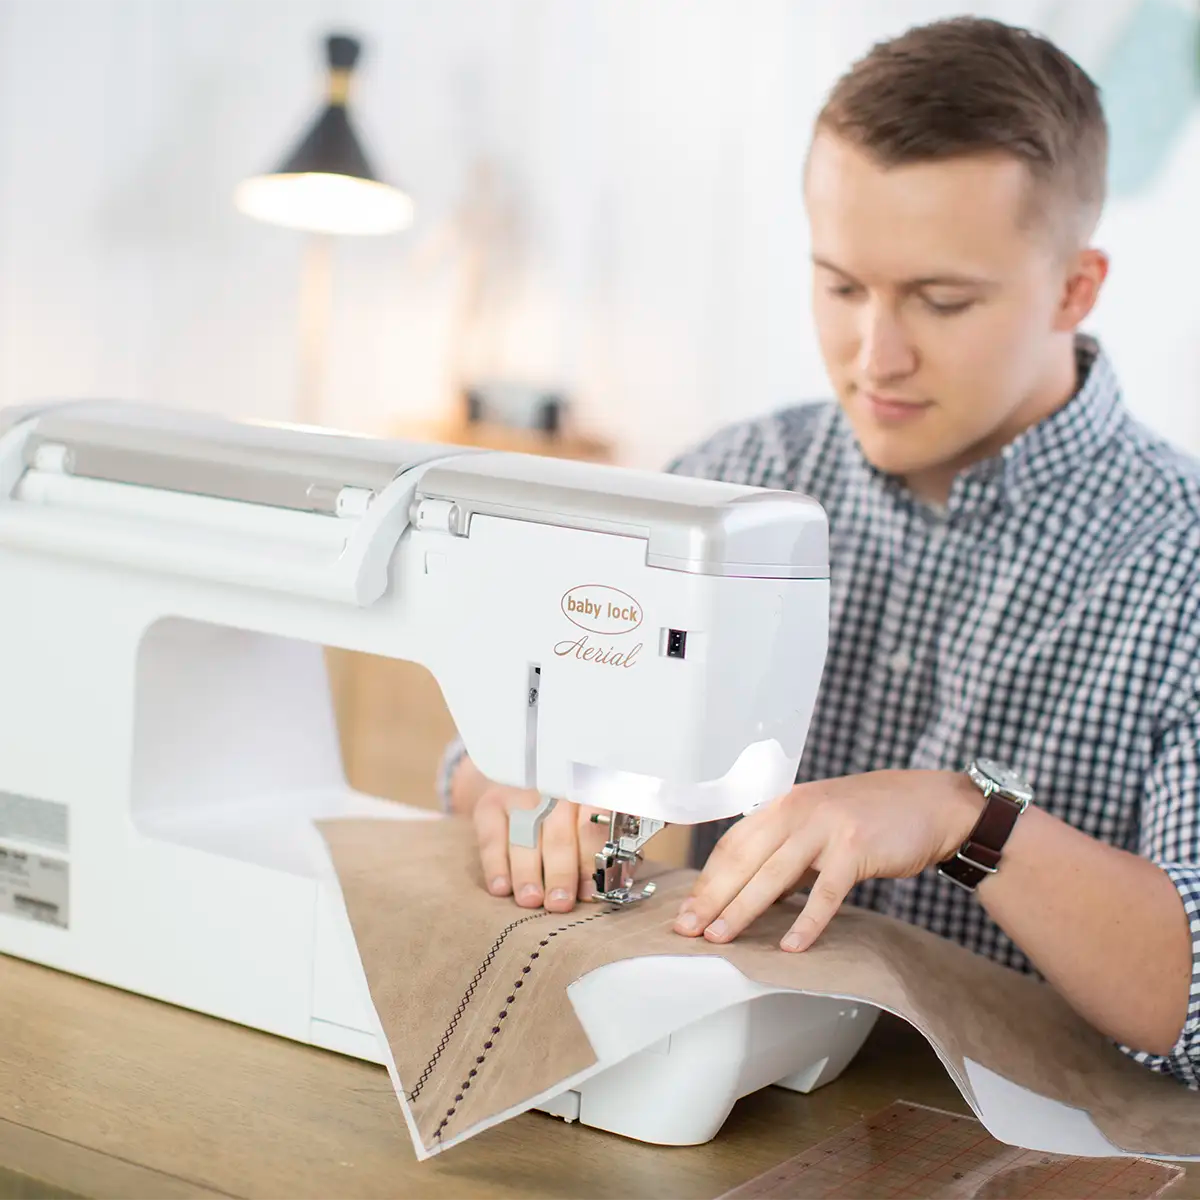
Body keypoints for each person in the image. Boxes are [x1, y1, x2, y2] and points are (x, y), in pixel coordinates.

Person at [438, 16, 1200, 1087]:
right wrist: (520, 799)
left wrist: (963, 820)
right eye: (841, 286)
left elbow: (1195, 994)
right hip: (709, 1110)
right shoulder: (728, 480)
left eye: (942, 301)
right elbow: (494, 750)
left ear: (1076, 288)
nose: (873, 355)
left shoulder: (1183, 559)